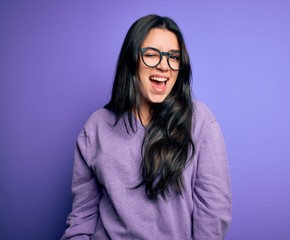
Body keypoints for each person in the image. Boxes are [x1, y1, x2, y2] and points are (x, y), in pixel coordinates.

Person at [61, 14, 232, 240]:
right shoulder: (96, 127)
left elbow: (213, 215)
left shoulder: (200, 122)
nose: (163, 65)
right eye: (151, 55)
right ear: (131, 61)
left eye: (173, 57)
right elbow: (82, 217)